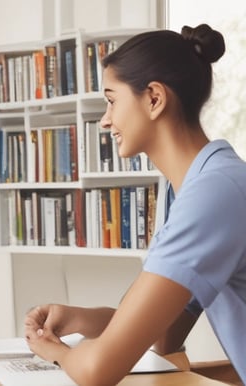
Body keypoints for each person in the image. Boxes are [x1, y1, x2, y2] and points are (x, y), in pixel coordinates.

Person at [24, 24, 245, 385]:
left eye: (112, 100)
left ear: (154, 98)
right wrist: (77, 317)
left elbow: (98, 371)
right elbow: (164, 333)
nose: (105, 120)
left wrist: (54, 351)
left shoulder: (214, 193)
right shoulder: (188, 190)